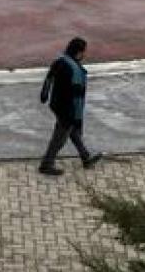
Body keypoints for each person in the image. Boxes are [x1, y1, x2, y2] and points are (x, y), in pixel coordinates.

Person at [39, 37, 100, 176]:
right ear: (78, 53)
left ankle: (86, 157)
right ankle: (46, 164)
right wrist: (77, 118)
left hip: (56, 104)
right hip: (67, 109)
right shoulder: (75, 71)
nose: (85, 54)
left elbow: (49, 78)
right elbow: (77, 98)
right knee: (60, 137)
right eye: (84, 52)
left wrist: (44, 94)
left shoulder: (60, 61)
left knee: (71, 132)